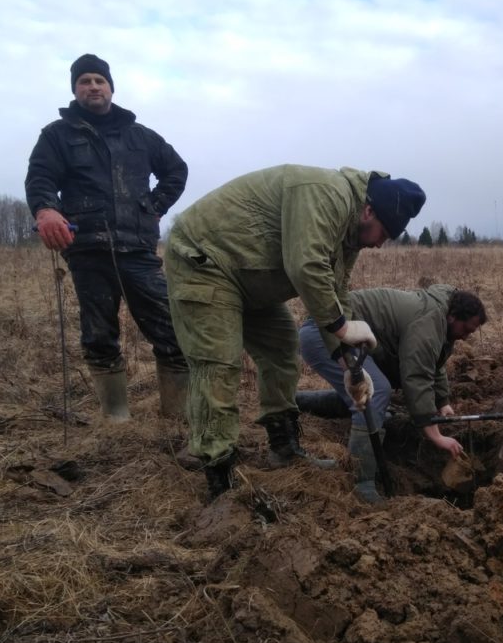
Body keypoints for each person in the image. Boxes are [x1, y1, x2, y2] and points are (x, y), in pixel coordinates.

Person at [165, 165, 426, 498]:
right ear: (368, 210)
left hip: (251, 279)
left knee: (282, 347)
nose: (379, 245)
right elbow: (307, 266)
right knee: (219, 366)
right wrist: (342, 328)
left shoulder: (350, 235)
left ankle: (283, 447)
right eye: (383, 234)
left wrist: (348, 363)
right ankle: (220, 480)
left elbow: (338, 293)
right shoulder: (326, 192)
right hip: (206, 262)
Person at [25, 54, 190, 423]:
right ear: (75, 90)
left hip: (138, 249)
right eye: (85, 81)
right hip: (87, 249)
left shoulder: (141, 136)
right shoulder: (56, 135)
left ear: (111, 88)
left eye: (99, 80)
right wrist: (46, 210)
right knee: (99, 335)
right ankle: (116, 420)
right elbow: (40, 179)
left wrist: (156, 206)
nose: (93, 87)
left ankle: (177, 418)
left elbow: (176, 170)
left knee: (172, 330)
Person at [297, 284, 487, 503]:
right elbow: (417, 376)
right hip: (324, 333)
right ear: (454, 316)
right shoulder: (429, 323)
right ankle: (362, 482)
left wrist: (442, 401)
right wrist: (435, 435)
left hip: (347, 337)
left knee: (369, 394)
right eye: (466, 330)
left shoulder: (441, 319)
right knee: (377, 393)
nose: (465, 337)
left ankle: (298, 402)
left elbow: (433, 361)